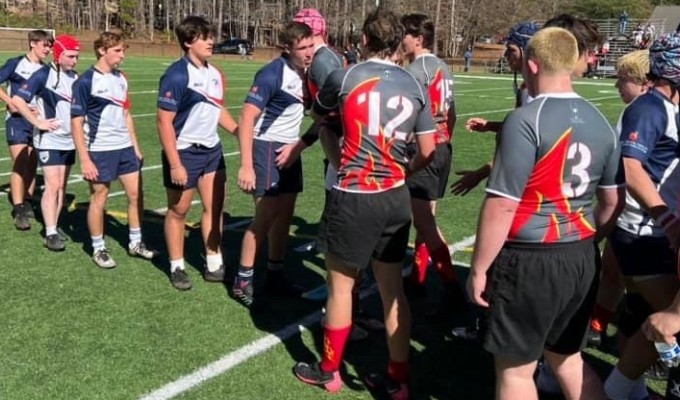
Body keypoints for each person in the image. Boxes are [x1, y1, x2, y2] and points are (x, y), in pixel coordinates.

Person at [467, 27, 624, 400]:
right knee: (568, 360)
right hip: (581, 255)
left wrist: (478, 268)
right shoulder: (602, 122)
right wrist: (587, 240)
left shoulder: (526, 119)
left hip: (531, 258)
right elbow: (611, 203)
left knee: (517, 372)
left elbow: (503, 203)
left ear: (532, 65)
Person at [292, 9, 436, 398]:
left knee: (340, 286)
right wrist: (404, 167)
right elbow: (428, 147)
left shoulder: (346, 74)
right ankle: (398, 378)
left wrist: (342, 159)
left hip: (356, 192)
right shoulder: (413, 82)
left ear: (365, 39)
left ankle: (329, 370)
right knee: (392, 291)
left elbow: (319, 115)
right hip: (395, 193)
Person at [602, 32, 680, 400]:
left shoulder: (666, 107)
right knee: (669, 319)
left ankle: (626, 389)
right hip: (646, 232)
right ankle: (618, 390)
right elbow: (631, 167)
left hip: (651, 231)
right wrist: (667, 219)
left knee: (643, 315)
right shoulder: (650, 108)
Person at [232, 21, 314, 307]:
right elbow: (247, 118)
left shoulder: (309, 72)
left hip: (291, 149)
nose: (308, 52)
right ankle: (243, 280)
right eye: (302, 48)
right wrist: (246, 164)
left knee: (285, 215)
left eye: (311, 45)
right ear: (287, 48)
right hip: (267, 148)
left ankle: (275, 273)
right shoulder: (271, 74)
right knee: (265, 217)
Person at [157, 16, 239, 290]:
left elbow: (218, 110)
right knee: (178, 210)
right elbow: (164, 121)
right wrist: (175, 163)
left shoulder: (215, 74)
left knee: (215, 207)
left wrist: (239, 131)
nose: (211, 41)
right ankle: (177, 265)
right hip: (184, 152)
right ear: (188, 42)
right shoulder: (177, 74)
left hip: (212, 150)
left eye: (210, 36)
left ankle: (214, 262)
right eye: (204, 37)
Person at [71, 31, 155, 269]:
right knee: (99, 198)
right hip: (100, 150)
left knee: (135, 196)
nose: (122, 56)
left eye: (123, 51)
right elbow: (76, 122)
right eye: (118, 51)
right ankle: (98, 248)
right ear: (102, 51)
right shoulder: (86, 81)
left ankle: (136, 243)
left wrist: (136, 147)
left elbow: (126, 114)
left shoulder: (121, 78)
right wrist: (85, 159)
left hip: (125, 148)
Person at [400, 13, 465, 312]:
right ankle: (418, 276)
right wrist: (443, 141)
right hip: (441, 148)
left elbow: (407, 114)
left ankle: (452, 285)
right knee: (426, 217)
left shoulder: (416, 69)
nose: (401, 40)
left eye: (405, 35)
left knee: (424, 221)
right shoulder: (442, 67)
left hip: (423, 149)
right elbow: (451, 113)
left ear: (419, 39)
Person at [11, 34, 80, 251]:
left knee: (61, 186)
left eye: (77, 56)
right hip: (49, 140)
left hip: (69, 141)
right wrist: (37, 122)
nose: (74, 61)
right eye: (70, 56)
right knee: (52, 185)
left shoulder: (75, 77)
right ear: (59, 55)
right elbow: (18, 99)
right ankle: (49, 232)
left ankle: (55, 224)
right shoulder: (42, 75)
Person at [0, 29, 53, 230]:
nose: (48, 49)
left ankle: (28, 199)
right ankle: (19, 207)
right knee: (20, 162)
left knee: (32, 163)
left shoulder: (47, 71)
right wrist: (10, 102)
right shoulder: (15, 63)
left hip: (36, 122)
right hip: (16, 120)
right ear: (32, 43)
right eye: (44, 45)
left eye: (50, 46)